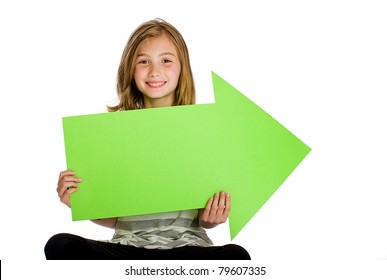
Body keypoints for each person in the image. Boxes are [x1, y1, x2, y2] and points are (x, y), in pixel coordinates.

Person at [45, 18, 250, 260]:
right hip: (129, 247)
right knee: (59, 245)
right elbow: (116, 220)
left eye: (166, 60)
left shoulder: (203, 128)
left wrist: (211, 218)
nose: (155, 71)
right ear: (130, 69)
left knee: (236, 255)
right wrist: (79, 201)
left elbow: (205, 214)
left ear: (182, 67)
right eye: (143, 61)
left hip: (188, 248)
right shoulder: (111, 133)